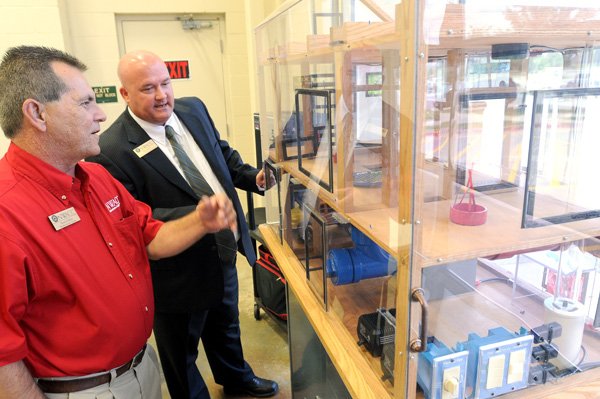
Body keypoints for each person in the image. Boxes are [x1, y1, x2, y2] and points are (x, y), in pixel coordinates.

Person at [0, 46, 238, 399]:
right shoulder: (8, 213)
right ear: (36, 113)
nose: (100, 114)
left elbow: (151, 238)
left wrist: (201, 222)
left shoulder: (95, 178)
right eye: (85, 103)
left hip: (140, 368)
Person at [86, 50, 278, 398]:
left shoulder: (193, 109)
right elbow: (131, 218)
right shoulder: (109, 149)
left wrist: (255, 178)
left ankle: (236, 380)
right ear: (125, 94)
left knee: (226, 325)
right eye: (147, 88)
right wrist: (198, 219)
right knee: (181, 351)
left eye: (165, 83)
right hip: (177, 270)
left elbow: (220, 155)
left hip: (222, 250)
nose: (162, 95)